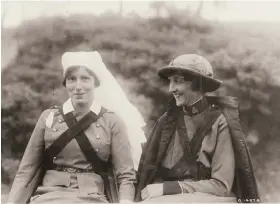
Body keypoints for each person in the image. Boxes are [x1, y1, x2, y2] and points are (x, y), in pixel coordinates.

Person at [7, 51, 146, 203]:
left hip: (93, 197)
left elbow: (125, 176)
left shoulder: (112, 121)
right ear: (66, 83)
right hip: (49, 195)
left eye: (85, 79)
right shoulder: (49, 117)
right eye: (72, 79)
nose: (78, 86)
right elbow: (27, 169)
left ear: (96, 83)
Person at [135, 54, 260, 203]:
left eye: (177, 81)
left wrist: (168, 188)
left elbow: (221, 186)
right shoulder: (167, 121)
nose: (171, 88)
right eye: (170, 81)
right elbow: (151, 171)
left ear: (197, 84)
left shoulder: (219, 122)